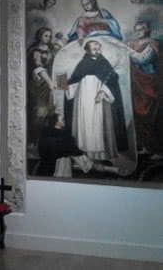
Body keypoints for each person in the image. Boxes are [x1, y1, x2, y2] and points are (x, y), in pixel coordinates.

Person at [59, 40, 129, 175]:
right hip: (84, 98)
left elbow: (113, 79)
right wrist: (62, 83)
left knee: (97, 123)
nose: (97, 51)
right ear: (87, 51)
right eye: (94, 49)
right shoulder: (83, 63)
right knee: (85, 122)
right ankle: (87, 156)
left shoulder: (104, 62)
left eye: (98, 48)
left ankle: (100, 156)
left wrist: (103, 91)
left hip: (99, 98)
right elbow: (74, 81)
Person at [127, 21, 162, 156]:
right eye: (137, 29)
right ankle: (144, 146)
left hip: (149, 83)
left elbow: (142, 59)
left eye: (142, 29)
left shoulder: (153, 43)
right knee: (138, 117)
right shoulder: (133, 44)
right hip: (137, 84)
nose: (139, 32)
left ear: (148, 29)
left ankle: (155, 149)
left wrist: (127, 49)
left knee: (150, 116)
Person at [28, 50, 56, 146]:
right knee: (40, 121)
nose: (37, 59)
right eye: (35, 58)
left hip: (44, 102)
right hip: (42, 102)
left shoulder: (45, 70)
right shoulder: (40, 70)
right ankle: (34, 142)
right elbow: (52, 85)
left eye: (39, 57)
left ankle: (37, 143)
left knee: (43, 122)